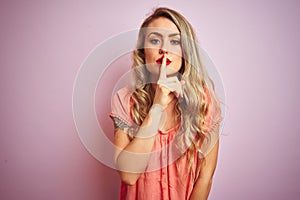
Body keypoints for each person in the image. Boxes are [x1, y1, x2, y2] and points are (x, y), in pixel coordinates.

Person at [110, 7, 223, 200]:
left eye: (174, 41)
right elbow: (128, 175)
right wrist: (158, 105)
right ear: (143, 51)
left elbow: (205, 177)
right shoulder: (124, 99)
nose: (164, 49)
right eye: (155, 40)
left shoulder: (203, 100)